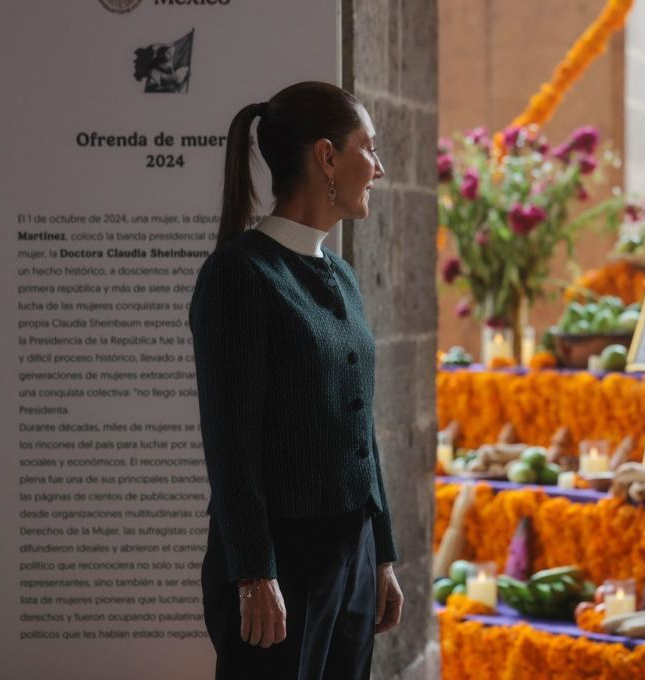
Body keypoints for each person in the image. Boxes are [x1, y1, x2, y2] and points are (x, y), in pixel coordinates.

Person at [189, 81, 402, 680]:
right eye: (370, 148)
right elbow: (229, 441)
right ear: (327, 156)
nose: (380, 168)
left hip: (352, 554)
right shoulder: (239, 273)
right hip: (280, 562)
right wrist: (254, 572)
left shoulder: (341, 273)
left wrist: (381, 554)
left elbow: (360, 422)